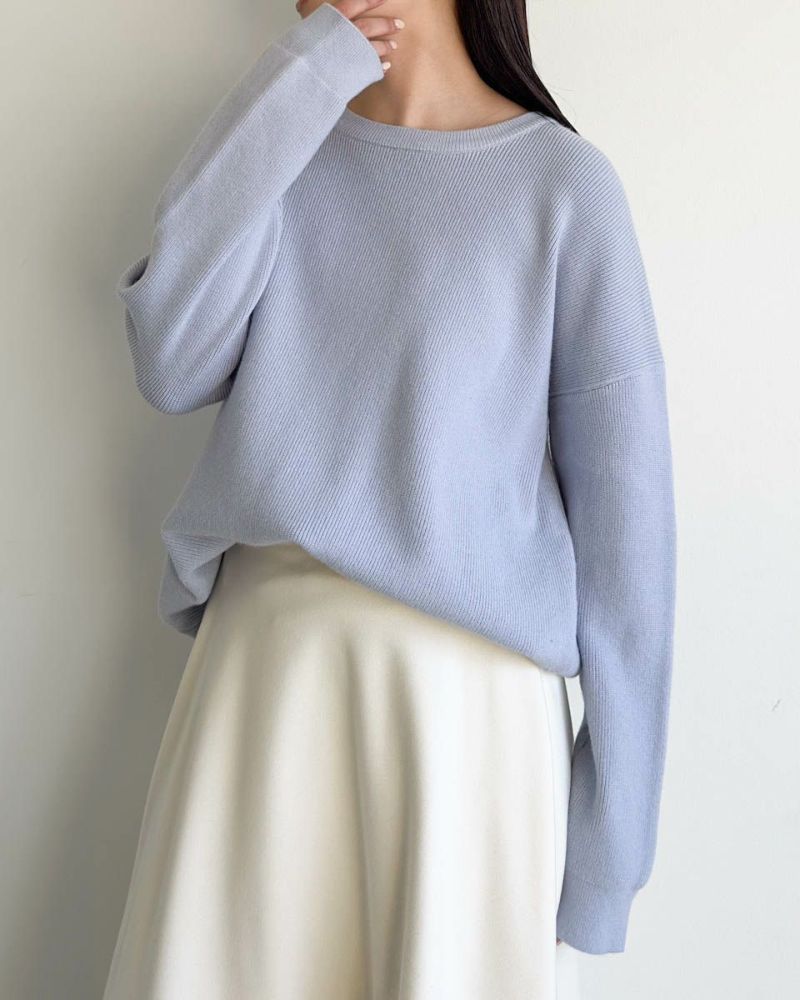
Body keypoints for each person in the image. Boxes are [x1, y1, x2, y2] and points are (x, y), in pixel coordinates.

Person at [103, 1, 677, 997]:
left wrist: (610, 853)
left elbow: (630, 551)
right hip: (262, 689)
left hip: (466, 725)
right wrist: (299, 83)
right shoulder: (282, 147)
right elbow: (171, 357)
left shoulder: (561, 186)